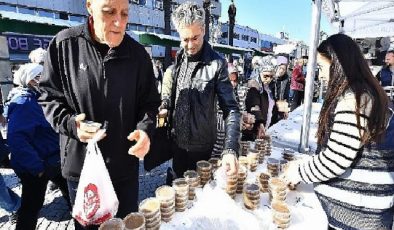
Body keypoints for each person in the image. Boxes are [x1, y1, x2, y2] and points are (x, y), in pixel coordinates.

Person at [38, 0, 160, 229]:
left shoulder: (138, 55)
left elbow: (150, 103)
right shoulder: (64, 44)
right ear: (89, 7)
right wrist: (71, 124)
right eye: (109, 11)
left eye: (125, 13)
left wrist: (145, 131)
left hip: (124, 168)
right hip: (81, 168)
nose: (119, 22)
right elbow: (48, 96)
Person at [282, 34, 393, 230]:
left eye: (323, 68)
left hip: (356, 214)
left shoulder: (355, 98)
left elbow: (337, 158)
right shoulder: (365, 92)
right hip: (365, 210)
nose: (322, 75)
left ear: (338, 64)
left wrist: (298, 171)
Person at [160, 2, 240, 179]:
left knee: (199, 197)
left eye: (195, 38)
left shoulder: (217, 63)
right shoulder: (180, 57)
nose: (189, 45)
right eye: (185, 39)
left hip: (202, 149)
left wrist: (230, 148)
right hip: (177, 145)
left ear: (203, 29)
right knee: (179, 194)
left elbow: (232, 109)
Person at [4, 63, 71, 230]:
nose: (46, 80)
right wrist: (38, 168)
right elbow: (17, 140)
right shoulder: (24, 102)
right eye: (40, 77)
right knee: (31, 207)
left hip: (52, 159)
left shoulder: (38, 97)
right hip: (37, 166)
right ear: (30, 80)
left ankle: (82, 219)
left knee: (72, 193)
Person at [242, 56, 276, 141]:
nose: (269, 79)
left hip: (262, 129)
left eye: (271, 76)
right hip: (253, 132)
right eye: (266, 76)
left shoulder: (268, 88)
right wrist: (260, 123)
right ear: (259, 73)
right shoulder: (254, 88)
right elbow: (254, 106)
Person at [270, 56, 290, 125]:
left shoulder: (286, 79)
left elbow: (286, 95)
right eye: (280, 68)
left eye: (284, 69)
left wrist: (285, 110)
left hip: (280, 105)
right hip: (270, 106)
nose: (281, 71)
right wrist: (275, 77)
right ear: (276, 67)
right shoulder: (270, 77)